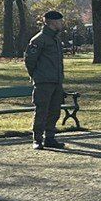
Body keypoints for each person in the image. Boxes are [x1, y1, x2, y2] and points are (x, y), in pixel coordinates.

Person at [23, 9, 68, 151]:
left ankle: (50, 137)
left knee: (55, 111)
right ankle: (37, 139)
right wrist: (37, 76)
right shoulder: (39, 40)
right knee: (41, 110)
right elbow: (29, 60)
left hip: (56, 80)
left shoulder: (55, 39)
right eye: (60, 21)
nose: (62, 23)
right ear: (53, 22)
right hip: (43, 82)